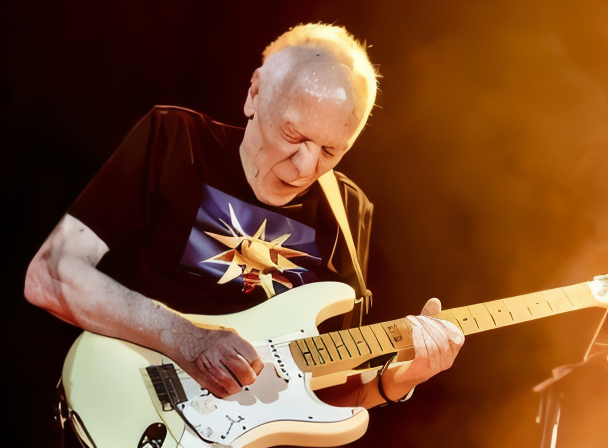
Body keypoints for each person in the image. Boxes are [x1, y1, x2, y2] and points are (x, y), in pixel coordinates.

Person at [25, 23, 463, 418]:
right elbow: (48, 275)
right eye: (293, 135)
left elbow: (326, 395)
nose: (305, 167)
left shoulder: (347, 211)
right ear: (254, 94)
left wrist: (399, 381)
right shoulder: (176, 140)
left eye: (331, 151)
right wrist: (188, 340)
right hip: (130, 411)